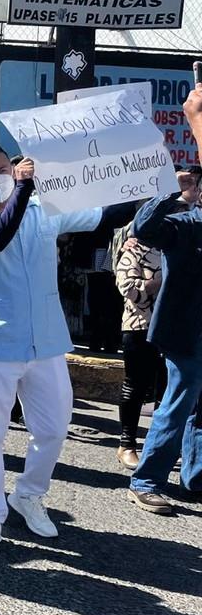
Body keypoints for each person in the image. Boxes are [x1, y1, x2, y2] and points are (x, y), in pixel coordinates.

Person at [0, 145, 137, 553]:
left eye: (3, 169)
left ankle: (29, 494)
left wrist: (148, 178)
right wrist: (21, 188)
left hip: (46, 341)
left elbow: (107, 215)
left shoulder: (43, 208)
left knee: (53, 429)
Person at [126, 85, 202, 515]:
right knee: (178, 402)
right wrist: (172, 191)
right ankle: (148, 479)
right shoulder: (186, 224)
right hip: (184, 333)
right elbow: (142, 228)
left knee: (198, 408)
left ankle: (194, 477)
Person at [114, 226, 164, 470]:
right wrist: (158, 281)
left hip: (174, 330)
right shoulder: (137, 249)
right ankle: (127, 444)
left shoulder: (181, 249)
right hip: (139, 327)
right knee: (135, 385)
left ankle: (159, 447)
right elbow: (128, 288)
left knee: (166, 392)